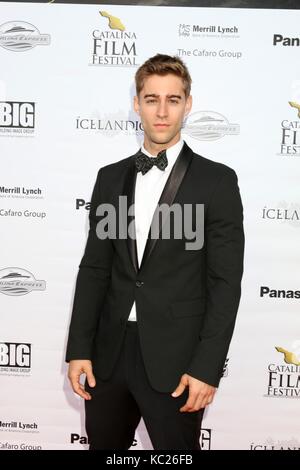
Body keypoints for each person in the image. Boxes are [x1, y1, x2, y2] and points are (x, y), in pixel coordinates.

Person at [66, 54, 244, 450]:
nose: (162, 112)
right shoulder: (109, 178)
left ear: (188, 104)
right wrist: (80, 348)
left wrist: (206, 369)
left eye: (173, 100)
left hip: (178, 362)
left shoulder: (216, 182)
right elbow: (95, 267)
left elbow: (225, 284)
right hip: (108, 358)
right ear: (136, 104)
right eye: (151, 99)